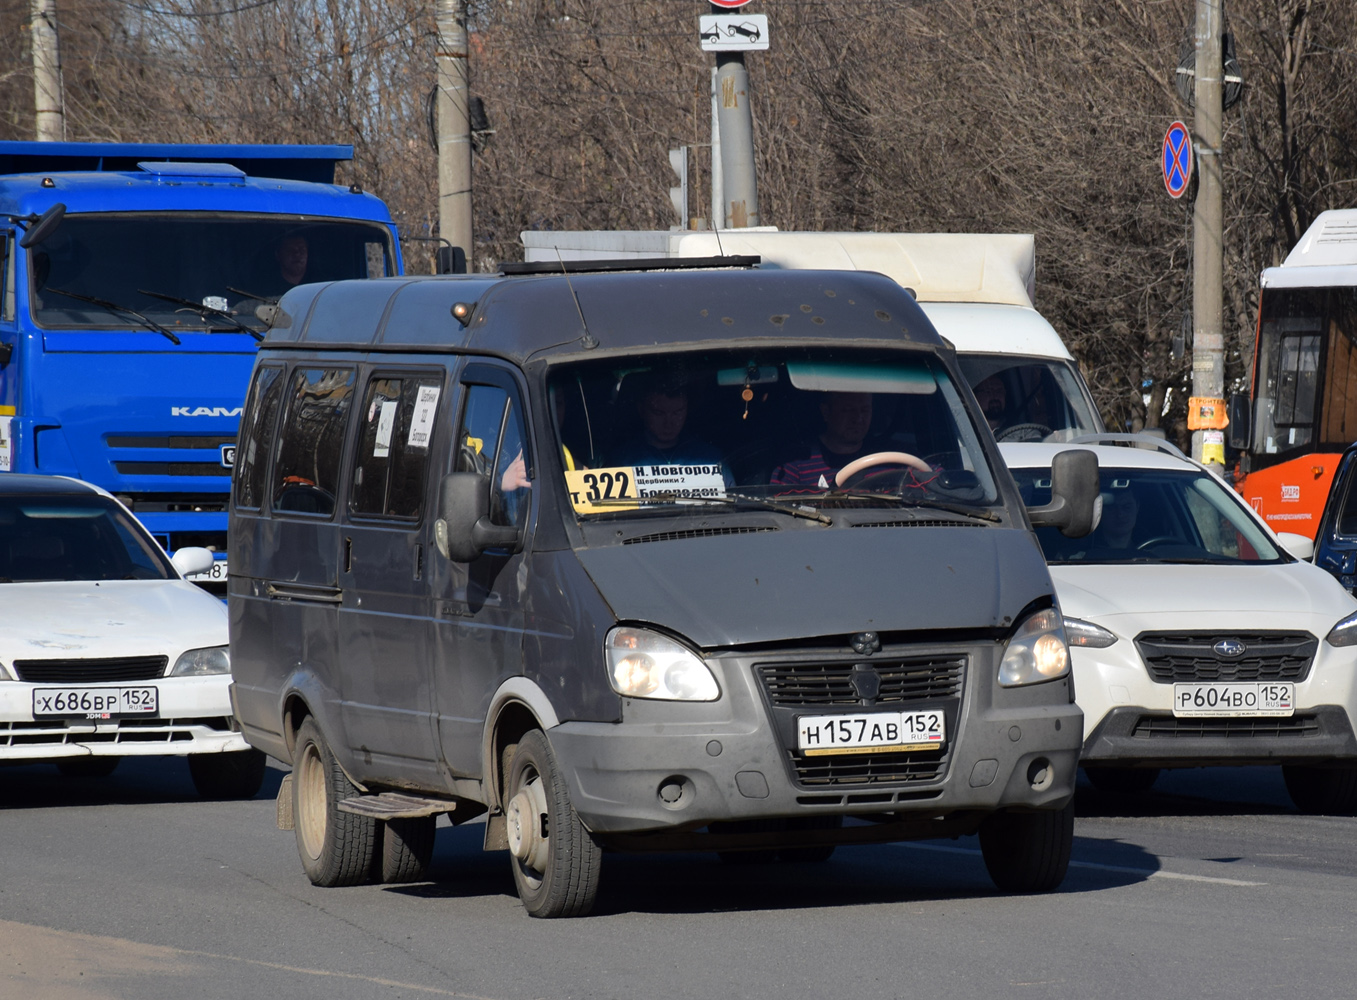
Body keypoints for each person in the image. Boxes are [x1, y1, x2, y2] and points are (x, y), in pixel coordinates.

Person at [771, 392, 888, 489]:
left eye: (865, 410)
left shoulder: (889, 461)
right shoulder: (795, 464)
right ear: (826, 412)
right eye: (848, 410)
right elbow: (777, 510)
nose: (858, 419)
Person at [605, 379, 723, 468]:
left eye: (677, 412)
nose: (669, 423)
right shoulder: (621, 460)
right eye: (659, 413)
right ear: (641, 410)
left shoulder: (710, 457)